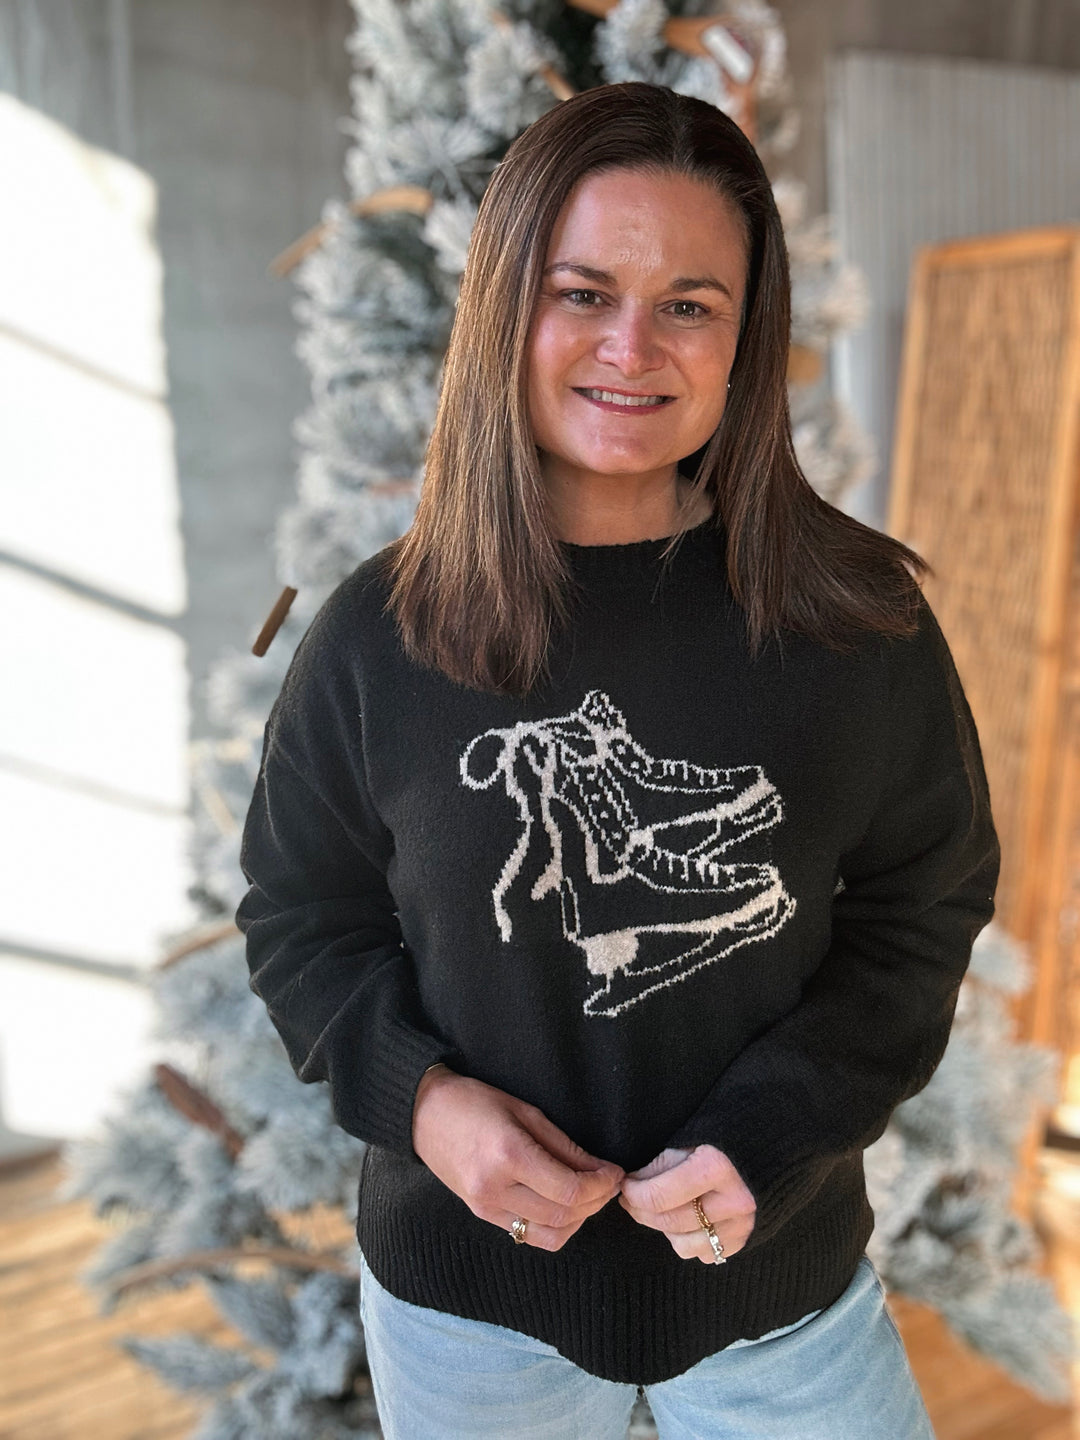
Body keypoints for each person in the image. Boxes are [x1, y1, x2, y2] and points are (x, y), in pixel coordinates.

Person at [235, 81, 999, 1438]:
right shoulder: (375, 632)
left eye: (689, 304)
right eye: (582, 292)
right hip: (466, 1312)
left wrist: (765, 1131)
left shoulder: (857, 620)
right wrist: (426, 1106)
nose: (631, 348)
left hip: (784, 1301)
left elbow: (917, 916)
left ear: (743, 336)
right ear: (508, 310)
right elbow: (305, 922)